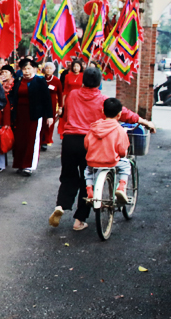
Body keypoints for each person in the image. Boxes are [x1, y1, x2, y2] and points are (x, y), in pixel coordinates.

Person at [49, 67, 153, 231]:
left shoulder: (72, 95)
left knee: (68, 176)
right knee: (87, 178)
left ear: (83, 80)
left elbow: (66, 113)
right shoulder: (102, 100)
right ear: (99, 82)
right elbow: (123, 113)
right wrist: (144, 122)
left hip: (69, 140)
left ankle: (61, 205)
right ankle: (79, 220)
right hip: (90, 142)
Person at [8, 58, 53, 175]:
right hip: (20, 114)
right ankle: (19, 164)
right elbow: (12, 95)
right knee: (20, 140)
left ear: (34, 69)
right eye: (24, 69)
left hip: (34, 114)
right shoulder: (18, 80)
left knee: (31, 139)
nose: (26, 71)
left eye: (28, 68)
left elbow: (47, 99)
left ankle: (29, 166)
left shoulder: (40, 81)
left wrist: (49, 116)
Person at [84, 98, 133, 203]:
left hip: (93, 162)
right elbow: (122, 151)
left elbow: (86, 144)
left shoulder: (94, 127)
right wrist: (122, 155)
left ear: (103, 111)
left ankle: (89, 189)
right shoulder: (119, 130)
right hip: (111, 161)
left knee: (88, 171)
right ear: (119, 114)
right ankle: (121, 187)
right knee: (126, 164)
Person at [40, 61, 64, 150]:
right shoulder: (40, 79)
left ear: (53, 70)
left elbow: (60, 94)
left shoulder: (56, 81)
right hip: (41, 103)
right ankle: (40, 139)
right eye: (47, 68)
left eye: (50, 68)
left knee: (49, 122)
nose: (48, 70)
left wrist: (60, 107)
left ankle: (46, 140)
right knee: (41, 121)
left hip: (52, 104)